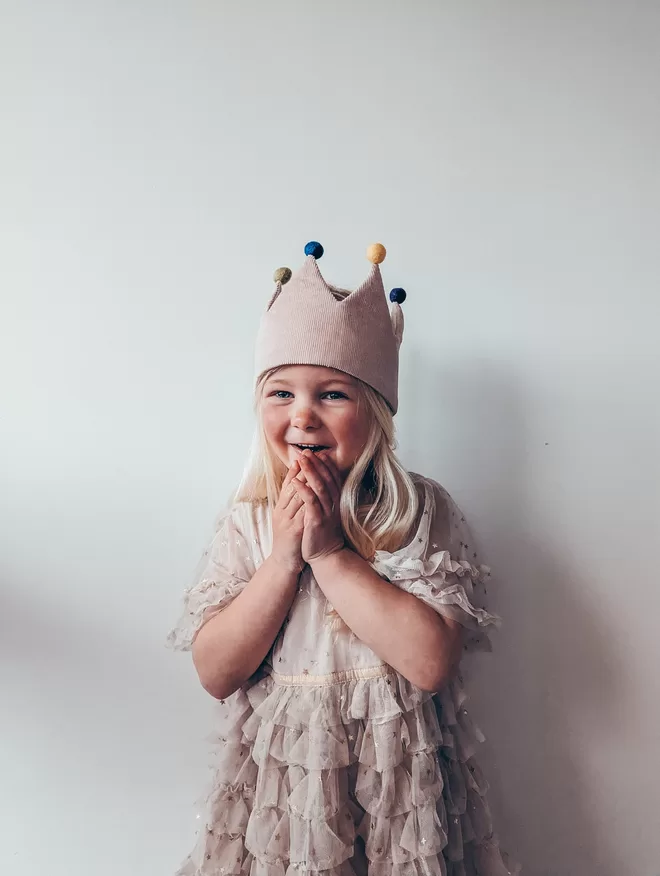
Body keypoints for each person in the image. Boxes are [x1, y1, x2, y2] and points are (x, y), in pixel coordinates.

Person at [167, 241, 518, 876]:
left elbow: (431, 661)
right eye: (281, 394)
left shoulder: (416, 512)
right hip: (283, 806)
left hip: (399, 798)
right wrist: (281, 560)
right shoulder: (249, 521)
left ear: (377, 414)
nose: (302, 414)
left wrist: (329, 552)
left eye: (332, 394)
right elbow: (216, 672)